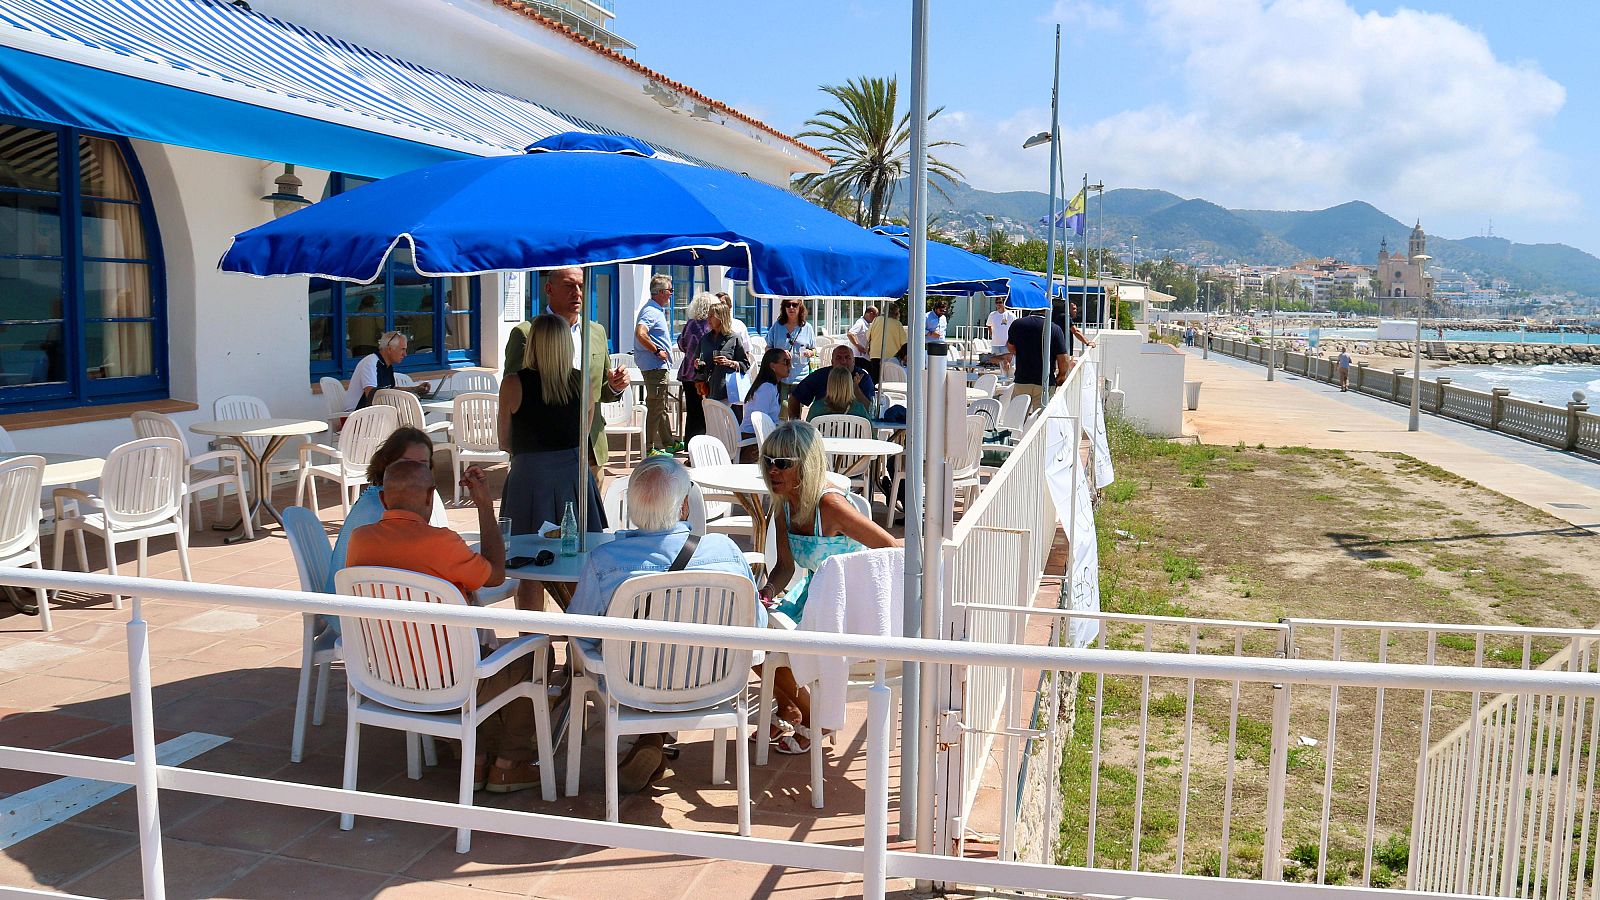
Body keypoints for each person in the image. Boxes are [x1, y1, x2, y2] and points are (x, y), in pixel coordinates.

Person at [344, 459, 540, 793]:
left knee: (465, 656)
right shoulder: (442, 543)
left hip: (385, 677)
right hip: (450, 682)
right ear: (430, 496)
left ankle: (474, 757)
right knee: (537, 653)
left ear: (382, 499)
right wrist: (483, 507)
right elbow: (495, 573)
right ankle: (509, 764)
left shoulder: (359, 541)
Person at [568, 456, 760, 786]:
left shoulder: (605, 561)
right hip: (713, 683)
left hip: (631, 685)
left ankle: (648, 738)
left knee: (597, 659)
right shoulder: (725, 551)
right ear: (684, 506)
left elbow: (580, 633)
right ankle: (652, 739)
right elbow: (756, 621)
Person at [758, 421, 898, 749]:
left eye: (783, 463)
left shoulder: (830, 505)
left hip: (849, 601)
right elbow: (784, 568)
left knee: (771, 644)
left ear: (804, 467)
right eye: (768, 462)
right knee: (748, 636)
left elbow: (890, 548)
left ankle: (809, 715)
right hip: (814, 594)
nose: (773, 471)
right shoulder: (783, 505)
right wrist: (764, 593)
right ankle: (798, 709)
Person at [500, 314, 607, 611]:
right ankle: (580, 644)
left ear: (532, 344)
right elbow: (583, 433)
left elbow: (504, 441)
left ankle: (534, 645)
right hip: (573, 476)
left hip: (529, 476)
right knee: (577, 564)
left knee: (527, 570)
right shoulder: (580, 382)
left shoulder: (513, 383)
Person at [502, 267, 628, 474]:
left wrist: (615, 386)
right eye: (569, 286)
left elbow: (601, 391)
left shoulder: (596, 332)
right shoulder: (526, 332)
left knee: (590, 505)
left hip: (590, 447)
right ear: (549, 288)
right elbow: (514, 394)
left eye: (581, 286)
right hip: (542, 451)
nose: (577, 292)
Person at [635, 274, 677, 454]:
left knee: (660, 406)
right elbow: (640, 333)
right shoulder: (651, 311)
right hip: (654, 367)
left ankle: (669, 442)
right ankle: (650, 447)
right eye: (670, 291)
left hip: (656, 367)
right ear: (660, 292)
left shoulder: (654, 309)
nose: (671, 294)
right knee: (655, 407)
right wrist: (656, 350)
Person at [785, 344, 876, 421]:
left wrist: (856, 389)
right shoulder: (820, 376)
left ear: (853, 361)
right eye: (839, 358)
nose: (843, 361)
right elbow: (795, 397)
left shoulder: (862, 377)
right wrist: (796, 425)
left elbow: (871, 410)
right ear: (832, 362)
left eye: (847, 357)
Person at [345, 331, 429, 411]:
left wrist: (415, 389)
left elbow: (390, 389)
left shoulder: (387, 365)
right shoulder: (371, 362)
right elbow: (371, 394)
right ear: (389, 349)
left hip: (372, 414)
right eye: (402, 349)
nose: (405, 354)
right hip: (354, 416)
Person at [1007, 310, 1068, 412]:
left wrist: (1023, 353)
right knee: (1041, 420)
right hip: (1045, 380)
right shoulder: (1054, 328)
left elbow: (1011, 347)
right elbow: (1063, 358)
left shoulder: (1017, 324)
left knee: (1017, 417)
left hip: (1022, 378)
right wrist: (1061, 375)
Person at [677, 291, 714, 440]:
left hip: (688, 372)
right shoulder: (709, 326)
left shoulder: (691, 324)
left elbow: (681, 344)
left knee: (692, 410)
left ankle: (689, 442)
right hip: (702, 373)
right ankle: (701, 441)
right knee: (704, 410)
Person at [697, 298, 748, 406]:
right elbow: (699, 362)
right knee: (711, 422)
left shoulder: (734, 338)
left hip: (727, 391)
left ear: (721, 318)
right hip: (708, 390)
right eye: (708, 315)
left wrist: (729, 362)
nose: (708, 319)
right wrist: (697, 364)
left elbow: (745, 365)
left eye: (712, 316)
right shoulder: (705, 339)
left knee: (726, 422)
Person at [766, 299, 816, 399]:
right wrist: (779, 353)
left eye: (795, 305)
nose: (791, 308)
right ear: (784, 308)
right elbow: (768, 348)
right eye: (788, 305)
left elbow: (814, 349)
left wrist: (810, 353)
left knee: (797, 411)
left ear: (800, 307)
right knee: (782, 409)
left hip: (801, 376)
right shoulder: (777, 326)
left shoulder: (807, 327)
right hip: (781, 376)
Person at [741, 348, 790, 435]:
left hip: (761, 435)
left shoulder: (773, 386)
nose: (789, 366)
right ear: (772, 366)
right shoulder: (766, 388)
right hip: (752, 438)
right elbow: (760, 422)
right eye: (785, 362)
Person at [805, 367, 871, 420]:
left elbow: (808, 433)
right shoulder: (859, 409)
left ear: (829, 384)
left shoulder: (816, 408)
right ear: (849, 386)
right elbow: (871, 434)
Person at [865, 300, 907, 382]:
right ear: (895, 313)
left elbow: (867, 336)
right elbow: (904, 342)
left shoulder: (876, 320)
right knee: (889, 380)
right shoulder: (897, 324)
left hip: (875, 355)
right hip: (891, 357)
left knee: (875, 380)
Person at [715, 291, 754, 360]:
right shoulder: (710, 325)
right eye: (717, 304)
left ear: (729, 306)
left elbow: (746, 350)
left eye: (722, 303)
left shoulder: (739, 325)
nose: (719, 307)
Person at [987, 297, 1016, 376]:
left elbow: (1015, 329)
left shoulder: (1010, 315)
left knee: (1009, 366)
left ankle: (1009, 384)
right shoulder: (992, 315)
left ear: (1004, 303)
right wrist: (992, 334)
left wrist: (1010, 340)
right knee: (997, 367)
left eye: (1000, 302)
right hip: (995, 345)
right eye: (997, 302)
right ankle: (1001, 384)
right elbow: (989, 325)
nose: (998, 304)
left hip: (1006, 345)